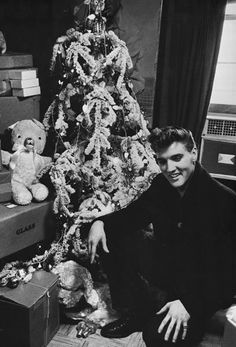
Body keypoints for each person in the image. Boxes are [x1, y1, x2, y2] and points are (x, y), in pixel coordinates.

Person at [88, 126, 236, 346]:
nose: (170, 168)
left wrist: (189, 304)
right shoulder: (161, 185)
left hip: (200, 287)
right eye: (163, 161)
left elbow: (229, 276)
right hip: (168, 269)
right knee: (111, 234)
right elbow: (131, 216)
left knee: (157, 337)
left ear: (193, 154)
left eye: (177, 158)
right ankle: (136, 311)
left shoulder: (225, 201)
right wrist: (99, 222)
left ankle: (180, 317)